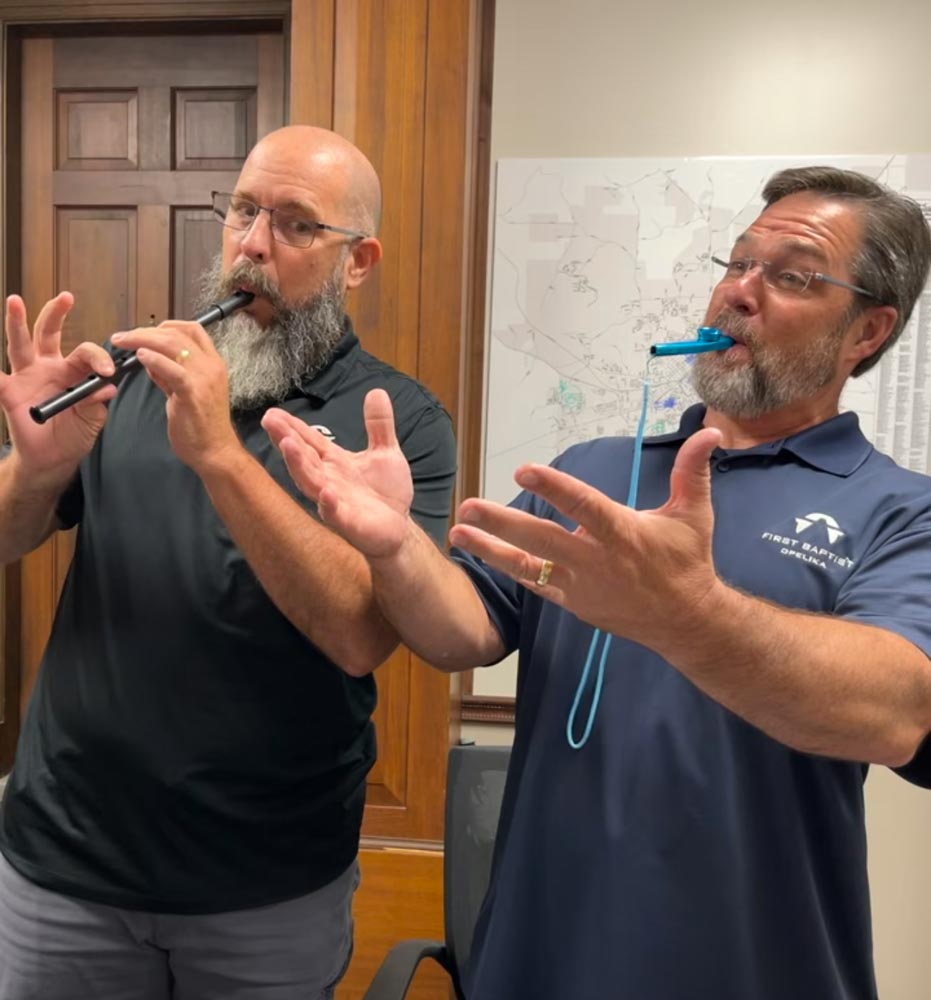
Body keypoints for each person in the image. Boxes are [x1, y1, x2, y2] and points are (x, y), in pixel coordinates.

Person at [262, 166, 931, 1000]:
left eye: (792, 277)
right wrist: (394, 547)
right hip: (537, 963)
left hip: (755, 969)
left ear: (867, 331)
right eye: (736, 263)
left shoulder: (901, 511)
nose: (738, 293)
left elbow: (898, 710)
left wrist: (688, 614)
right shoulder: (594, 473)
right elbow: (458, 632)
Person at [0, 125, 456, 1000]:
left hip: (266, 883)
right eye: (243, 210)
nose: (252, 244)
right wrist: (37, 467)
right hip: (64, 859)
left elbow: (359, 636)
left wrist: (218, 453)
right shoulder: (131, 376)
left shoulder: (397, 422)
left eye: (295, 224)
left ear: (357, 261)